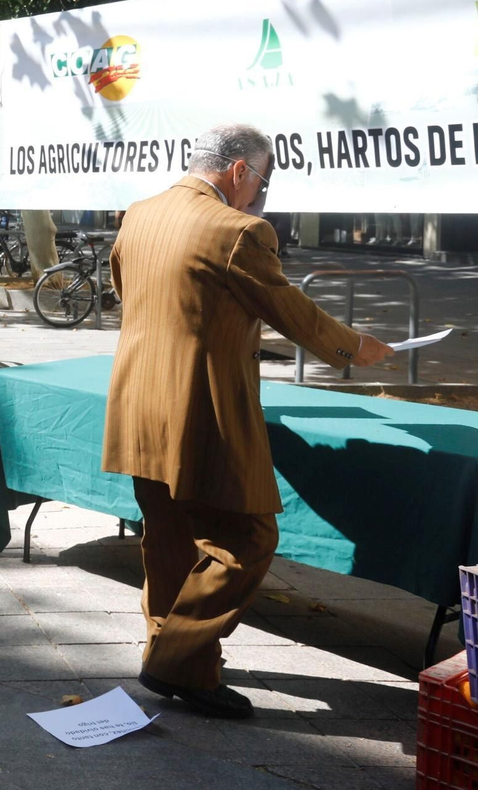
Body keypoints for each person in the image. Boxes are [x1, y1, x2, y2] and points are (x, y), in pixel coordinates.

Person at [102, 123, 395, 719]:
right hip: (200, 412)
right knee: (247, 538)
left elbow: (127, 294)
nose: (262, 192)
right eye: (264, 177)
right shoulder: (238, 230)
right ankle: (175, 661)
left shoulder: (139, 214)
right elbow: (294, 314)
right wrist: (354, 347)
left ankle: (183, 662)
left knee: (167, 539)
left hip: (136, 404)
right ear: (240, 171)